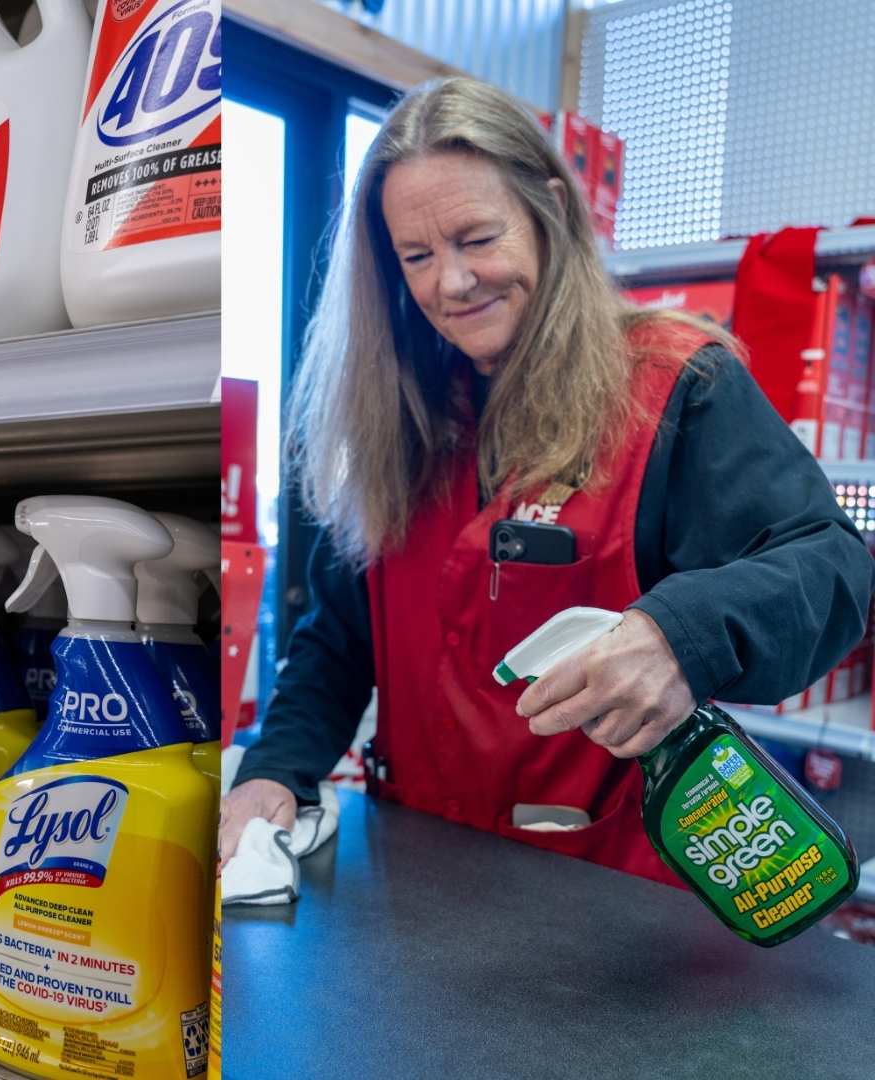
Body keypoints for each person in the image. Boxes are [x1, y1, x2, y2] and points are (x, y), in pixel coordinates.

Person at [220, 78, 872, 886]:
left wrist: (683, 633)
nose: (450, 283)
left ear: (552, 212)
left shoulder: (672, 386)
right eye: (417, 257)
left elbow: (833, 565)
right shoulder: (404, 412)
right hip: (419, 880)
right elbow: (342, 635)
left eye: (476, 238)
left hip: (607, 903)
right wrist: (272, 771)